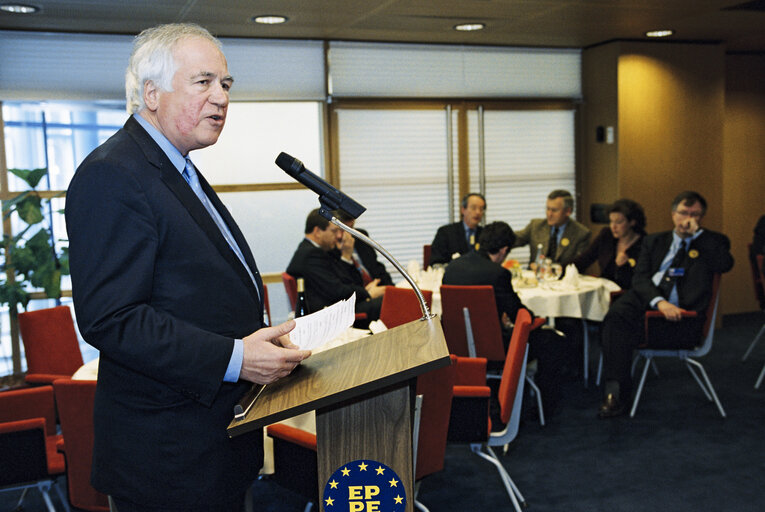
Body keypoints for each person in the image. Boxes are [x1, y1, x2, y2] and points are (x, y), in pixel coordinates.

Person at [65, 24, 312, 511]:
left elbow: (194, 294)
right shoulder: (113, 173)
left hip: (211, 442)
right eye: (204, 82)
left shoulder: (177, 165)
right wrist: (236, 358)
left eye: (226, 84)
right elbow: (111, 318)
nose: (221, 97)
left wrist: (255, 340)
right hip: (166, 459)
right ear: (151, 94)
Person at [598, 191, 734, 418]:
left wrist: (698, 235)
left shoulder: (713, 242)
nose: (687, 219)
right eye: (683, 213)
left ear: (701, 218)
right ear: (673, 214)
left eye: (695, 214)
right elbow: (639, 279)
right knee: (615, 317)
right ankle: (615, 392)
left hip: (681, 318)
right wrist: (659, 302)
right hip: (650, 301)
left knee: (622, 332)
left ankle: (619, 391)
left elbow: (725, 264)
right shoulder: (654, 241)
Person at [443, 221, 567, 413]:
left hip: (456, 347)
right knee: (552, 341)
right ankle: (547, 407)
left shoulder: (452, 267)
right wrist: (535, 317)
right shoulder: (498, 274)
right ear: (504, 250)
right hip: (493, 349)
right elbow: (519, 314)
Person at [286, 208, 386, 323]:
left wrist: (346, 256)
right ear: (318, 231)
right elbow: (338, 292)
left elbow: (344, 284)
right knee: (388, 301)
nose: (339, 236)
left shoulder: (312, 250)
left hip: (334, 307)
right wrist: (368, 293)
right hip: (328, 316)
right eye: (334, 231)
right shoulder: (311, 255)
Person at [572, 198, 647, 289]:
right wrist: (560, 269)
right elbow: (585, 259)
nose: (613, 226)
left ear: (632, 222)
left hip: (628, 294)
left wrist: (624, 266)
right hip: (604, 291)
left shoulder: (644, 244)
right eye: (611, 221)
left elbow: (640, 281)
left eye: (619, 222)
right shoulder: (606, 235)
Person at [513, 189, 590, 267]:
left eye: (554, 210)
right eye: (547, 209)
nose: (549, 214)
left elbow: (580, 265)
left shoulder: (581, 234)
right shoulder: (536, 226)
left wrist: (552, 270)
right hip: (535, 277)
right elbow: (513, 239)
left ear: (568, 211)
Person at [334, 210, 394, 286]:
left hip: (378, 287)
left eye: (351, 228)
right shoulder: (329, 245)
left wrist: (390, 287)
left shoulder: (360, 235)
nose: (348, 234)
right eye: (344, 230)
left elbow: (376, 266)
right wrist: (346, 254)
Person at [429, 192, 486, 266]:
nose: (478, 212)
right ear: (463, 210)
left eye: (481, 209)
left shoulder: (485, 234)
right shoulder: (445, 233)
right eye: (473, 208)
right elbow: (436, 262)